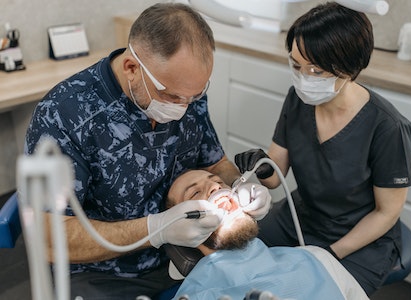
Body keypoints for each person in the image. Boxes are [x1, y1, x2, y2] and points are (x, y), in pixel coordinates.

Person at [24, 3, 271, 299]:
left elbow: (215, 163)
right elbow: (50, 239)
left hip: (187, 254)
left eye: (195, 96)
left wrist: (242, 187)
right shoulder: (65, 116)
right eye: (171, 96)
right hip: (103, 273)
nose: (183, 108)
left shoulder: (186, 95)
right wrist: (156, 229)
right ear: (132, 68)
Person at [234, 2, 411, 296]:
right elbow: (275, 175)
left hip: (359, 240)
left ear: (349, 69)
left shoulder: (387, 126)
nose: (303, 78)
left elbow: (386, 213)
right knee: (235, 255)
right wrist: (261, 165)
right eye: (296, 65)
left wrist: (329, 253)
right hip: (301, 218)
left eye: (316, 70)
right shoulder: (297, 99)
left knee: (309, 290)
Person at [165, 169, 369, 300]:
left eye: (218, 181)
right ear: (183, 230)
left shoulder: (315, 258)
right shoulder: (195, 296)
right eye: (194, 193)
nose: (215, 187)